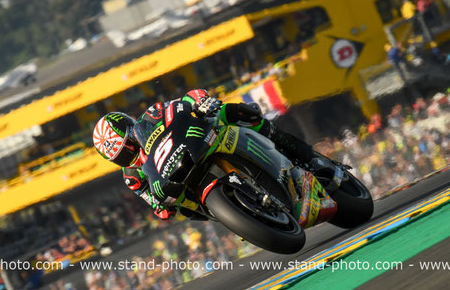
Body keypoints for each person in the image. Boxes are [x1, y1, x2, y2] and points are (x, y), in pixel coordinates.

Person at [93, 89, 313, 220]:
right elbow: (154, 204)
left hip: (196, 141)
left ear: (132, 131)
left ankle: (303, 156)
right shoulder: (131, 177)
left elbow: (182, 103)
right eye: (121, 157)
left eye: (128, 146)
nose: (129, 156)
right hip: (179, 181)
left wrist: (200, 101)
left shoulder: (150, 117)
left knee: (234, 112)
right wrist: (160, 207)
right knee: (186, 211)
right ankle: (236, 216)